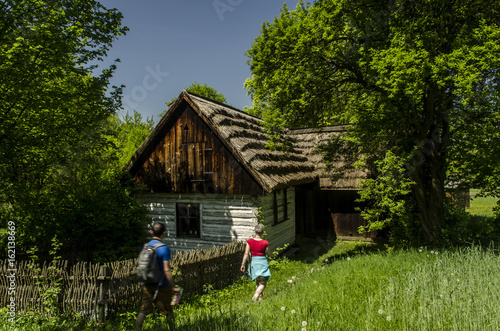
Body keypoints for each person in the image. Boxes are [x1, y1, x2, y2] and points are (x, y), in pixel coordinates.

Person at [135, 222, 180, 331]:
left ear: (151, 232)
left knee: (144, 310)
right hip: (162, 285)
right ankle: (172, 329)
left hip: (147, 283)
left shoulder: (146, 246)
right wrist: (173, 286)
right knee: (168, 310)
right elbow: (166, 269)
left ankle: (136, 329)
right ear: (163, 233)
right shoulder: (164, 248)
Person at [240, 224, 272, 302]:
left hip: (254, 262)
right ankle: (255, 297)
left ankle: (260, 300)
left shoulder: (250, 242)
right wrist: (273, 255)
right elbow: (269, 253)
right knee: (263, 283)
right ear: (262, 232)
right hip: (262, 262)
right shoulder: (265, 243)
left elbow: (246, 254)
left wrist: (243, 264)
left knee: (258, 281)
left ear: (255, 231)